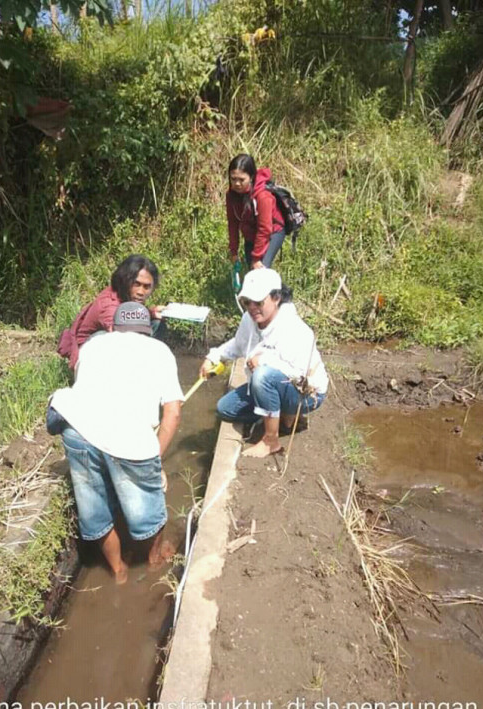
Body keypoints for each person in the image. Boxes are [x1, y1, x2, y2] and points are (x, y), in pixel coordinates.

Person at [49, 302, 184, 584]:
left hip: (77, 428)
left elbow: (85, 389)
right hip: (128, 436)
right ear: (148, 330)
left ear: (114, 327)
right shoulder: (160, 351)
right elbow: (173, 412)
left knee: (94, 509)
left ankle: (118, 571)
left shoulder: (93, 346)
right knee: (149, 506)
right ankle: (154, 559)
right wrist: (155, 461)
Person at [199, 269, 328, 458]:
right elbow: (238, 344)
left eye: (258, 302)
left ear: (276, 298)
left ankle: (271, 440)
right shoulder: (249, 320)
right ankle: (281, 413)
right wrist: (215, 357)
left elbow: (301, 374)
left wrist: (266, 361)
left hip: (305, 393)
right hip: (271, 386)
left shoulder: (293, 328)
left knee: (262, 375)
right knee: (225, 408)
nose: (252, 307)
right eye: (247, 302)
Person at [57, 254, 165, 371]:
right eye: (136, 284)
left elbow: (130, 318)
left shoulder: (127, 297)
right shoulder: (109, 304)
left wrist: (150, 313)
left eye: (146, 287)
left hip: (120, 338)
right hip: (88, 356)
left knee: (156, 323)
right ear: (125, 281)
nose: (141, 292)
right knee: (102, 336)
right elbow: (124, 337)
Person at [226, 153, 286, 271]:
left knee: (260, 270)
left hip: (273, 232)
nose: (237, 183)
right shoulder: (231, 195)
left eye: (241, 179)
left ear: (251, 177)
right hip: (251, 233)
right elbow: (232, 223)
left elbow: (265, 228)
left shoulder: (263, 196)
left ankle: (281, 290)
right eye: (233, 179)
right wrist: (234, 251)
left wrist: (257, 257)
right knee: (252, 271)